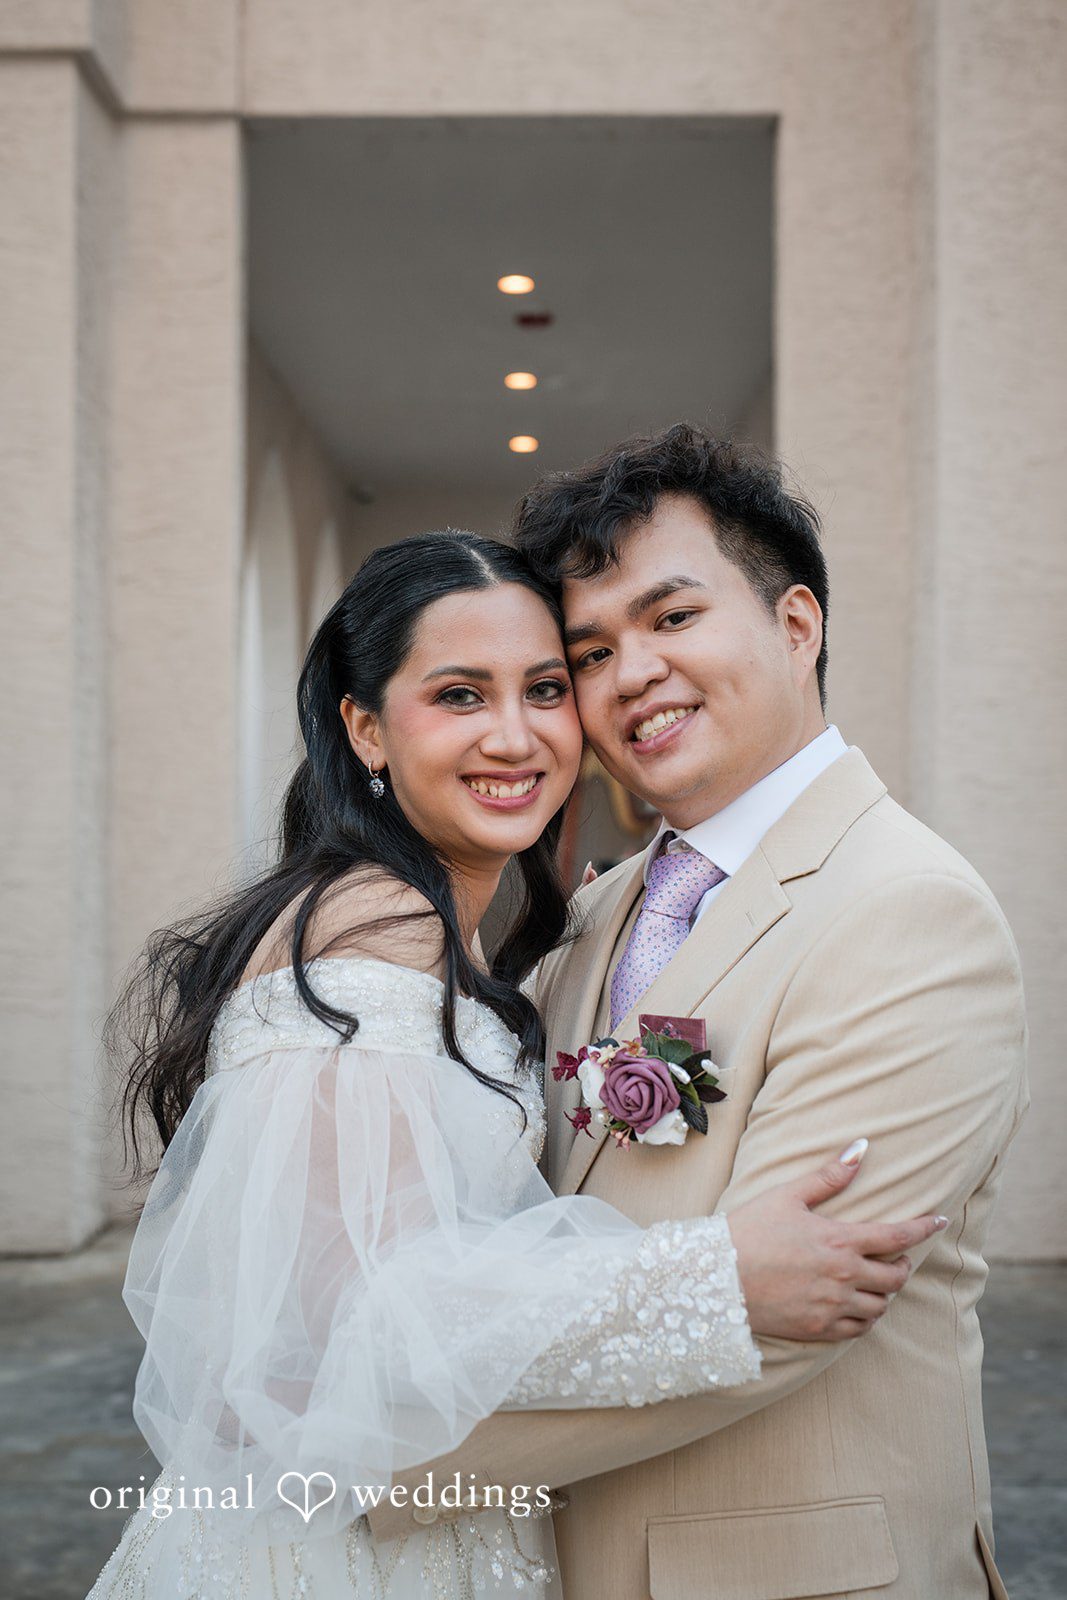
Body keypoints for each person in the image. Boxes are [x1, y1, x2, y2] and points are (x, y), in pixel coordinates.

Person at [85, 531, 943, 1600]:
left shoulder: (472, 927)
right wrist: (714, 1279)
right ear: (364, 728)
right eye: (457, 694)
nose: (514, 733)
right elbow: (358, 1324)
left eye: (544, 687)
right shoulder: (379, 923)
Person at [367, 431, 1029, 1600]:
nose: (629, 675)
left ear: (793, 624)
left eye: (670, 619)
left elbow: (782, 1321)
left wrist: (370, 1454)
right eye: (591, 649)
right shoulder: (600, 906)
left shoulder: (907, 908)